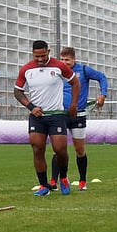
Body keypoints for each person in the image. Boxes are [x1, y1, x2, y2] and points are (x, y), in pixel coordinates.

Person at [14, 40, 79, 196]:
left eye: (43, 55)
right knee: (37, 148)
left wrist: (73, 105)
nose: (40, 59)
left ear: (48, 52)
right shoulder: (26, 69)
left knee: (60, 149)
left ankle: (63, 177)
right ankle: (43, 185)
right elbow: (17, 92)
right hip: (37, 116)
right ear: (33, 54)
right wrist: (31, 107)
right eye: (37, 56)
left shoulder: (59, 66)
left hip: (56, 115)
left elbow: (75, 83)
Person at [49, 46, 108, 191]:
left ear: (73, 59)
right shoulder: (57, 71)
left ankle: (82, 181)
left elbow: (102, 77)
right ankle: (54, 181)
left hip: (78, 116)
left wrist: (103, 94)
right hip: (60, 115)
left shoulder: (84, 70)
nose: (64, 62)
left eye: (67, 60)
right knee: (59, 149)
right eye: (62, 59)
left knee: (79, 149)